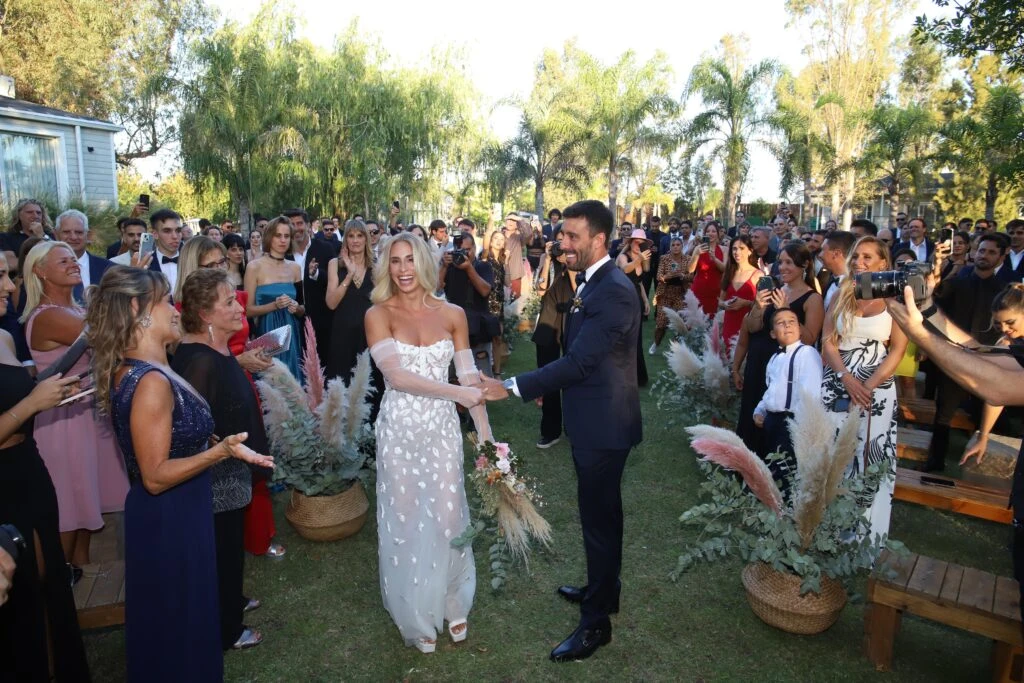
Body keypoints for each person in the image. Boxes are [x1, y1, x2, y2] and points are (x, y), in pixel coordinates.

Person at [87, 266, 272, 682]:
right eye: (166, 300)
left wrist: (216, 446)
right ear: (139, 310)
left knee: (188, 617)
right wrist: (220, 451)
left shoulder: (155, 367)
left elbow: (177, 439)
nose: (175, 310)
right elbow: (154, 475)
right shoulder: (149, 379)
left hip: (181, 507)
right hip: (169, 513)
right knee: (178, 625)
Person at [500, 200, 641, 662]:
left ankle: (595, 624)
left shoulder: (614, 290)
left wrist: (514, 386)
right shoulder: (594, 282)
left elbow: (581, 361)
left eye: (572, 236)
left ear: (599, 240)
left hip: (604, 426)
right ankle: (604, 591)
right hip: (593, 418)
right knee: (604, 517)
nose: (563, 243)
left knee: (599, 523)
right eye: (562, 236)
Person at [365, 232, 505, 653]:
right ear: (386, 267)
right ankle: (413, 613)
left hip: (442, 429)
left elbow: (470, 379)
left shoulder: (454, 314)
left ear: (425, 262)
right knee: (404, 515)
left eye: (410, 260)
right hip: (400, 429)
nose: (404, 270)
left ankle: (452, 600)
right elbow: (398, 377)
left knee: (448, 514)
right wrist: (461, 396)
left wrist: (487, 443)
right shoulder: (378, 314)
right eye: (395, 262)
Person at [0, 251, 91, 682]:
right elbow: (23, 404)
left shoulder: (3, 338)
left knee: (50, 581)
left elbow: (29, 390)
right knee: (23, 596)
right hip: (3, 483)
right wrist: (31, 404)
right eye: (0, 277)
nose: (8, 287)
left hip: (29, 466)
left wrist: (53, 389)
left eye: (8, 276)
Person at [174, 268, 270, 650]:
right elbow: (191, 428)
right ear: (205, 314)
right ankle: (226, 629)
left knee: (230, 545)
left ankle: (232, 602)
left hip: (232, 468)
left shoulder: (218, 349)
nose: (238, 306)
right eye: (229, 302)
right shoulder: (198, 360)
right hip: (216, 475)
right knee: (220, 549)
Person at [21, 241, 128, 575]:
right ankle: (57, 583)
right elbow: (113, 338)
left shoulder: (77, 309)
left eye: (73, 258)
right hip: (62, 422)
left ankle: (82, 580)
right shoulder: (49, 316)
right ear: (39, 270)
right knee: (68, 506)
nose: (73, 263)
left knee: (84, 505)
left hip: (84, 413)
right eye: (62, 260)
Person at [821, 236, 908, 542]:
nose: (859, 262)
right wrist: (846, 377)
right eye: (856, 256)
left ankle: (864, 534)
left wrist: (867, 386)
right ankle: (829, 527)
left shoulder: (895, 297)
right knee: (834, 452)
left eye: (868, 257)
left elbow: (898, 349)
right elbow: (827, 340)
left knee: (869, 453)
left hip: (877, 388)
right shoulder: (842, 290)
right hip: (837, 380)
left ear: (883, 263)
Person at [923, 233, 1008, 471]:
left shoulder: (1004, 289)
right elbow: (936, 298)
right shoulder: (959, 279)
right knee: (943, 415)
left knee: (985, 413)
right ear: (974, 251)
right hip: (955, 358)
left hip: (990, 361)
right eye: (982, 250)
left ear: (1002, 256)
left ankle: (975, 463)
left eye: (991, 252)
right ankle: (935, 462)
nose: (985, 256)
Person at [735, 242, 824, 457]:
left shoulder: (812, 299)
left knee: (771, 427)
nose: (782, 267)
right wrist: (757, 306)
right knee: (751, 415)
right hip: (758, 364)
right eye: (781, 262)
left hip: (784, 371)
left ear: (804, 265)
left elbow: (810, 338)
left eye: (789, 263)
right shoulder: (775, 290)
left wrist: (784, 309)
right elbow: (753, 327)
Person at [752, 307, 823, 492]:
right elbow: (771, 389)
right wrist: (760, 410)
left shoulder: (807, 354)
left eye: (792, 321)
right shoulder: (775, 358)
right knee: (773, 470)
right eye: (780, 322)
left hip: (792, 423)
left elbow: (810, 395)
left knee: (787, 473)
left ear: (799, 329)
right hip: (772, 421)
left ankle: (786, 512)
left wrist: (797, 427)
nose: (787, 325)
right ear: (773, 333)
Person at [960, 284, 1024, 466]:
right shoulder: (1007, 344)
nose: (1004, 329)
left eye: (1010, 322)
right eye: (999, 324)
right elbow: (997, 392)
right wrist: (984, 435)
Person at [245, 217, 305, 380]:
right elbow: (247, 311)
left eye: (287, 236)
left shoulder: (295, 268)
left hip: (292, 333)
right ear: (269, 237)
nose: (283, 240)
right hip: (267, 333)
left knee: (293, 383)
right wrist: (274, 305)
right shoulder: (254, 267)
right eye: (278, 235)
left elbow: (303, 308)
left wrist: (296, 307)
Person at [325, 220, 378, 388]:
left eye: (360, 235)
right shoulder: (335, 264)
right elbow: (331, 304)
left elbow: (382, 302)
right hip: (342, 333)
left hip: (369, 333)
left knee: (369, 384)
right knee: (342, 385)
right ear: (345, 239)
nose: (355, 240)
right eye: (351, 236)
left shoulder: (376, 266)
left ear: (366, 239)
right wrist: (349, 275)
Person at [440, 232, 496, 377]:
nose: (464, 254)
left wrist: (468, 268)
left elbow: (485, 291)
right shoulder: (450, 267)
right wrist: (444, 266)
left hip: (478, 330)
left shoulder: (483, 266)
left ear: (474, 248)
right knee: (452, 377)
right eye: (460, 250)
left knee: (482, 377)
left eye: (467, 250)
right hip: (453, 329)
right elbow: (436, 288)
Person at [285, 209, 336, 367]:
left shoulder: (325, 248)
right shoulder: (283, 254)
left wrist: (316, 274)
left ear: (308, 225)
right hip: (291, 322)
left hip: (321, 322)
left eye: (299, 223)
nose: (296, 228)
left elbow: (334, 280)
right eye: (291, 225)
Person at [615, 228, 651, 387]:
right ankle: (621, 375)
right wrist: (638, 259)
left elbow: (640, 281)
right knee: (624, 337)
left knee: (636, 337)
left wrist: (646, 301)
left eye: (642, 243)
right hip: (623, 299)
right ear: (630, 242)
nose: (639, 245)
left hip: (636, 298)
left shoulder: (641, 258)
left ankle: (638, 377)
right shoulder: (623, 256)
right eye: (637, 242)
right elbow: (625, 269)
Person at [54, 210, 113, 299]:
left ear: (88, 236)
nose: (73, 237)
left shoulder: (109, 269)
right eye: (66, 232)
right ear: (56, 235)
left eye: (79, 232)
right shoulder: (45, 269)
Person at [719, 235, 760, 353]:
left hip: (748, 325)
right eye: (734, 249)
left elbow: (764, 306)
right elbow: (720, 301)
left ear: (750, 251)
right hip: (729, 323)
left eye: (741, 248)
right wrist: (725, 304)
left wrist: (746, 303)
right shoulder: (729, 273)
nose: (737, 252)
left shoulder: (758, 275)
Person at [650, 236, 690, 353]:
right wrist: (669, 275)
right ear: (670, 247)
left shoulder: (688, 259)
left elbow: (692, 276)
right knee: (661, 323)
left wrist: (683, 276)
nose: (675, 247)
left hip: (681, 293)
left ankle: (675, 347)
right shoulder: (664, 258)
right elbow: (659, 277)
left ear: (682, 246)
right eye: (673, 245)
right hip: (665, 293)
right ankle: (656, 343)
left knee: (680, 323)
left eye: (678, 245)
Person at [1, 199, 55, 273]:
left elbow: (58, 257)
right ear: (19, 215)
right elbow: (11, 264)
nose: (35, 216)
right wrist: (42, 262)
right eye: (30, 212)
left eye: (39, 213)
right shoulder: (7, 237)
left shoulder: (50, 235)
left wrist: (41, 235)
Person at [481, 229, 508, 376]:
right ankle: (483, 372)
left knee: (498, 338)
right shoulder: (485, 257)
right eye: (496, 238)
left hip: (499, 303)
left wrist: (507, 263)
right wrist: (491, 220)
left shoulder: (502, 261)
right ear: (491, 241)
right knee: (484, 339)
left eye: (502, 239)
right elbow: (485, 245)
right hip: (486, 303)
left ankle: (497, 372)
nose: (499, 241)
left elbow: (508, 282)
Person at [687, 226, 727, 316]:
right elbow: (690, 270)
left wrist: (714, 258)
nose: (710, 233)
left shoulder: (724, 249)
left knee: (715, 321)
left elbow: (725, 269)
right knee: (697, 320)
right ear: (704, 234)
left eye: (713, 231)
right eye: (708, 231)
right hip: (699, 289)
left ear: (718, 234)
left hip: (717, 291)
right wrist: (697, 254)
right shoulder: (698, 248)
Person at [147, 208, 185, 293]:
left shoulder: (192, 259)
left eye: (178, 230)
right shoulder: (146, 264)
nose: (175, 236)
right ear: (155, 234)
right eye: (167, 231)